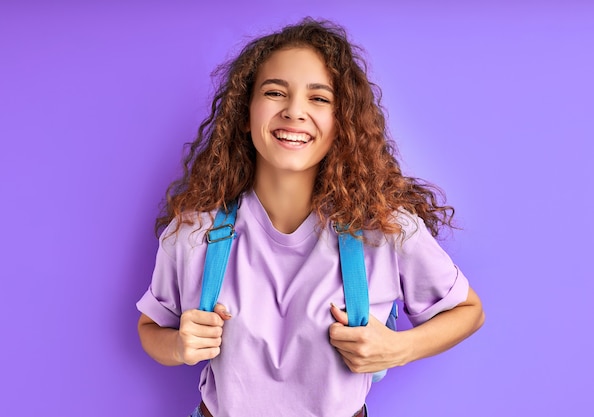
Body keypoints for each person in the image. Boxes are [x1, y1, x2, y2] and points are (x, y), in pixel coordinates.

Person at [136, 17, 485, 417]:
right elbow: (151, 329)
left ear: (343, 123)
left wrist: (400, 348)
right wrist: (179, 346)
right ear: (245, 112)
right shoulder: (192, 233)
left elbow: (469, 311)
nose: (294, 111)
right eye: (274, 92)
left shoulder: (386, 231)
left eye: (319, 98)